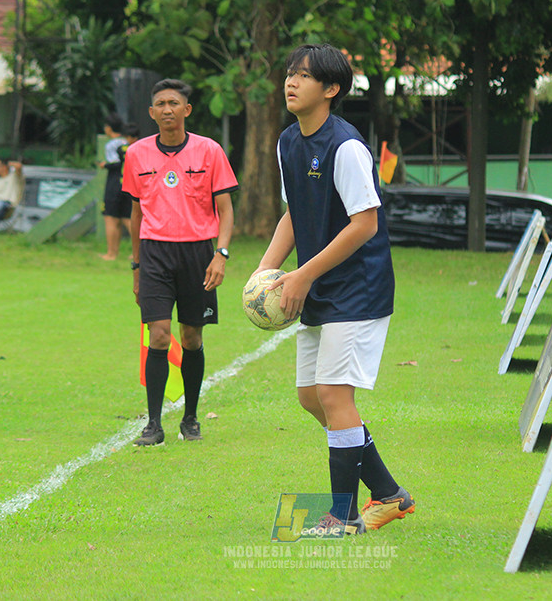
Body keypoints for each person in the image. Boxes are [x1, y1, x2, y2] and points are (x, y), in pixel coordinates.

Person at [254, 43, 414, 535]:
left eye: (304, 76)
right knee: (311, 397)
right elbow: (294, 214)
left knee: (333, 394)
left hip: (357, 288)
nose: (291, 82)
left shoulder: (345, 147)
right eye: (289, 73)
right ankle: (389, 494)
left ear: (331, 89)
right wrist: (266, 271)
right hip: (320, 285)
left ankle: (342, 516)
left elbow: (364, 224)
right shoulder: (288, 141)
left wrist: (302, 275)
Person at [123, 79, 238, 446]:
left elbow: (226, 210)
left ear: (187, 110)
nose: (167, 109)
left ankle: (190, 417)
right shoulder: (136, 154)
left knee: (191, 336)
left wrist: (220, 254)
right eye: (161, 103)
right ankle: (153, 425)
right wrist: (137, 267)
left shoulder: (209, 151)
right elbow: (135, 216)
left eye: (174, 102)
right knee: (158, 336)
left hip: (198, 253)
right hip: (155, 253)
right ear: (152, 112)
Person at [98, 113, 133, 261]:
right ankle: (139, 251)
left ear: (108, 128)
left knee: (111, 218)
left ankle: (111, 253)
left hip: (114, 184)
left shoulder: (112, 144)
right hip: (128, 184)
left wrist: (104, 165)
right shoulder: (127, 142)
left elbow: (116, 163)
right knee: (128, 218)